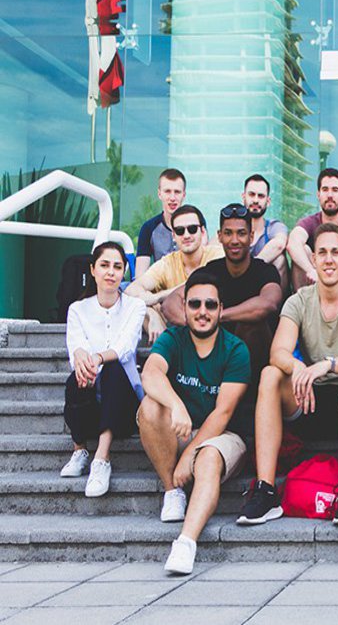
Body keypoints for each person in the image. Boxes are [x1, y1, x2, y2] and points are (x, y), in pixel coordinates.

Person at [238, 223, 338, 528]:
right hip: (306, 397)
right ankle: (265, 490)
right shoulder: (299, 300)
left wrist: (328, 365)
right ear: (313, 260)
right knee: (269, 374)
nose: (329, 259)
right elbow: (278, 351)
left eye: (335, 252)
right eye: (322, 253)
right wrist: (298, 367)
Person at [137, 270, 250, 575]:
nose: (202, 312)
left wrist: (190, 454)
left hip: (223, 435)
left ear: (221, 309)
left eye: (210, 305)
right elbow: (150, 374)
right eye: (195, 304)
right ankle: (172, 490)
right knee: (150, 407)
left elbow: (222, 413)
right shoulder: (173, 339)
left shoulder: (236, 350)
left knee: (208, 458)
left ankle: (186, 543)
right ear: (184, 307)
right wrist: (176, 404)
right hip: (183, 427)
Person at [163, 204, 282, 393]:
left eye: (241, 233)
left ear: (251, 237)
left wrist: (217, 316)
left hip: (254, 369)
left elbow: (268, 303)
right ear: (219, 237)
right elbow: (170, 303)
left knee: (250, 324)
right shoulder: (211, 270)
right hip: (213, 361)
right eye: (228, 233)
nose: (234, 240)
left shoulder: (264, 271)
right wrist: (197, 322)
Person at [61, 242, 147, 498]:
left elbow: (125, 349)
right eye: (105, 265)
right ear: (93, 270)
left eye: (117, 267)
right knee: (75, 378)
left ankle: (102, 458)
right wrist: (80, 356)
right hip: (90, 399)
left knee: (111, 369)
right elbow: (76, 346)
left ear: (124, 273)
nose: (111, 272)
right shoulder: (78, 309)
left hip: (123, 403)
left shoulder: (135, 306)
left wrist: (96, 358)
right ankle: (79, 450)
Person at [127, 204, 224, 342]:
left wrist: (157, 298)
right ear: (173, 235)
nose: (186, 235)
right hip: (176, 335)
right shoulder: (167, 263)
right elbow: (131, 291)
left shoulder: (216, 255)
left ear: (202, 232)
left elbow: (197, 285)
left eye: (192, 229)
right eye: (179, 231)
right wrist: (152, 314)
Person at [287, 168, 338, 289]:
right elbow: (293, 243)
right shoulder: (309, 222)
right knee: (304, 250)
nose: (329, 195)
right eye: (325, 190)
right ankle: (302, 303)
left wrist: (326, 263)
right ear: (318, 194)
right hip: (313, 284)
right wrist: (311, 270)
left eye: (335, 190)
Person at [135, 168, 188, 277]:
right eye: (167, 191)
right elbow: (140, 275)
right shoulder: (148, 228)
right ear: (159, 194)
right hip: (159, 287)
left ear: (184, 195)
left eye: (177, 192)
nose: (172, 198)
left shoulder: (194, 226)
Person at [242, 173, 289, 285]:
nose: (256, 200)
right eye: (252, 195)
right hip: (239, 287)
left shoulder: (274, 227)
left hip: (268, 289)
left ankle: (279, 303)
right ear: (243, 197)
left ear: (268, 201)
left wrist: (250, 270)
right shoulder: (235, 227)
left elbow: (279, 244)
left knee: (280, 260)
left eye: (261, 196)